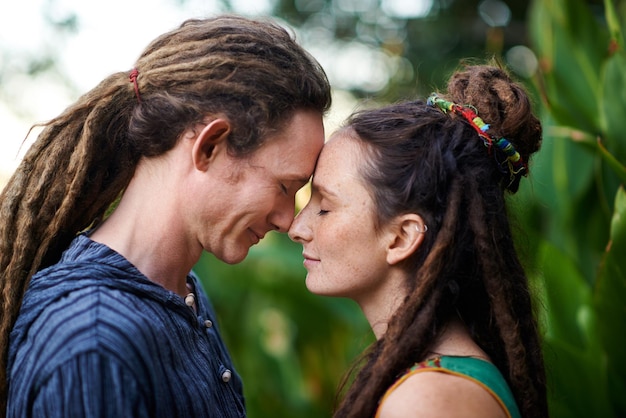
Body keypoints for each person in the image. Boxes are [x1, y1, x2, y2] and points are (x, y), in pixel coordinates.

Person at [0, 14, 331, 417]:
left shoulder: (180, 291)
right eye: (285, 186)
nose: (288, 220)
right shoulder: (95, 346)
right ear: (209, 146)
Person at [289, 64, 548, 418]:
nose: (296, 227)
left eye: (325, 207)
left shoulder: (430, 399)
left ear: (402, 237)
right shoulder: (437, 381)